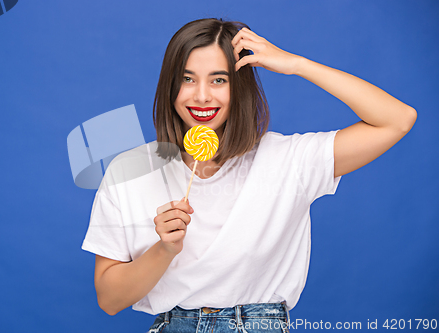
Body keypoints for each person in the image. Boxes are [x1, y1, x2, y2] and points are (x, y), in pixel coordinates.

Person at [82, 18, 416, 332]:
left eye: (219, 79)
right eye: (187, 78)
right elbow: (109, 300)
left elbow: (397, 119)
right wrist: (164, 249)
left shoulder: (287, 160)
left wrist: (297, 64)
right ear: (170, 87)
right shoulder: (130, 170)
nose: (201, 95)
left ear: (239, 86)